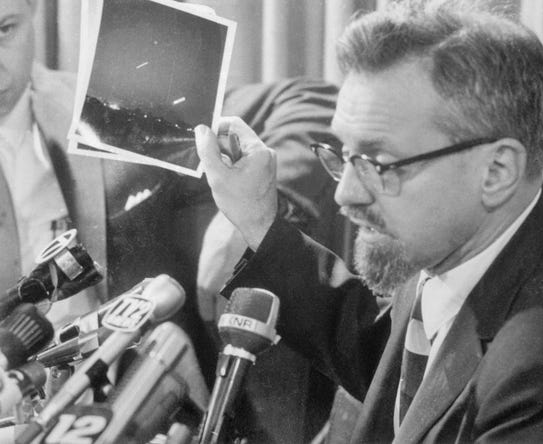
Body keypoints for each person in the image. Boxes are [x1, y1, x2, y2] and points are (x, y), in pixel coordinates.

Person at [195, 1, 543, 442]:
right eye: (344, 155)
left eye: (378, 163)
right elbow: (394, 364)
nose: (344, 193)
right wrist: (258, 217)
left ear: (498, 171)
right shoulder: (462, 237)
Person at [0, 0, 339, 441]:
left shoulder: (103, 107)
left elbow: (309, 100)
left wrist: (248, 215)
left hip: (143, 404)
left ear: (32, 15)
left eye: (5, 29)